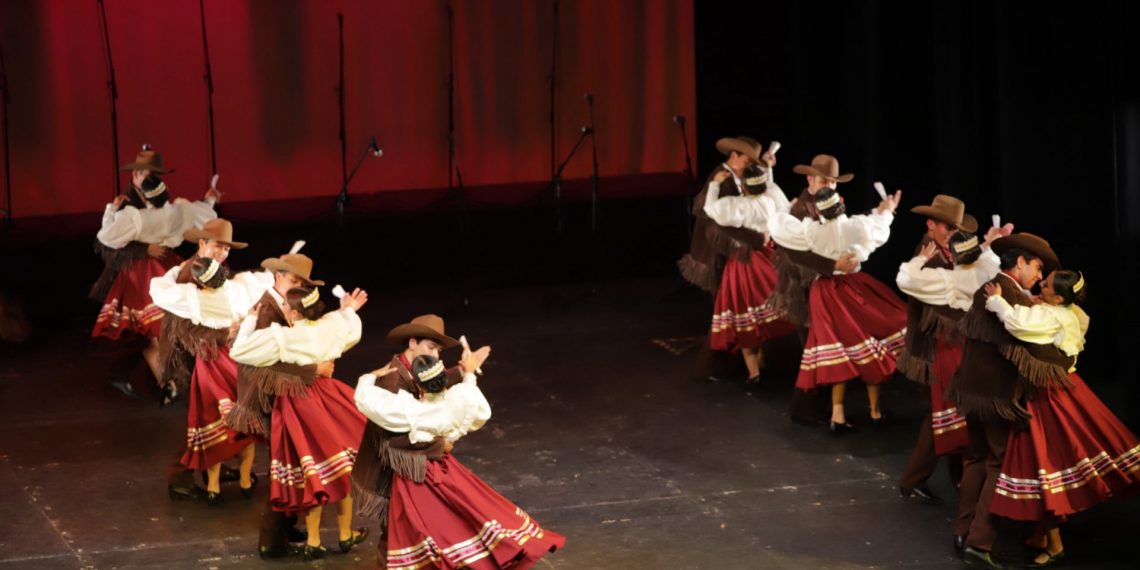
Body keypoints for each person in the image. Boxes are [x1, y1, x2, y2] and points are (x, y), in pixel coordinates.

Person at [983, 271, 1139, 568]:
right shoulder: (1070, 311)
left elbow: (1018, 324)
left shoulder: (1050, 316)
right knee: (1043, 465)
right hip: (1065, 389)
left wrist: (997, 301)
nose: (1040, 284)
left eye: (1046, 285)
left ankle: (1054, 545)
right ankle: (1044, 537)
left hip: (1050, 398)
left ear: (1057, 297)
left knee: (1043, 466)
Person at [356, 353, 565, 568]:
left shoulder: (412, 411)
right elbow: (478, 408)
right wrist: (469, 373)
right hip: (444, 469)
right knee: (460, 518)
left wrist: (370, 376)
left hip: (415, 476)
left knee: (418, 527)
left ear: (418, 386)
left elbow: (366, 400)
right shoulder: (459, 400)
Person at [948, 233, 1069, 569]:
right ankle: (979, 542)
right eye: (1037, 267)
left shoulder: (989, 288)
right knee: (999, 465)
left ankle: (963, 532)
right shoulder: (1010, 296)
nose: (1040, 276)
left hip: (971, 391)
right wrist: (1066, 360)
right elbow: (1030, 346)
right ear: (1019, 263)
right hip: (995, 398)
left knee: (976, 459)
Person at [230, 284, 371, 559]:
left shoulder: (283, 336)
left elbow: (240, 351)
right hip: (328, 397)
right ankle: (345, 533)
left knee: (311, 471)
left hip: (299, 401)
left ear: (294, 314)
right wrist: (348, 309)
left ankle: (314, 540)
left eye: (286, 306)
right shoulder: (331, 325)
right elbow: (350, 329)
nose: (283, 309)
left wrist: (250, 320)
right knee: (340, 465)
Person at [349, 315, 489, 567]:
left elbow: (433, 379)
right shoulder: (394, 380)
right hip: (387, 472)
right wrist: (439, 445)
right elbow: (392, 439)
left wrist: (463, 370)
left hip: (407, 469)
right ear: (412, 342)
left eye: (438, 351)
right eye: (431, 347)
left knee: (411, 532)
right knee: (395, 533)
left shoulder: (414, 369)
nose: (435, 356)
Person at [766, 185, 905, 433]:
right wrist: (887, 211)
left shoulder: (811, 231)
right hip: (853, 288)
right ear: (841, 204)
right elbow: (880, 230)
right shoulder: (857, 226)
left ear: (819, 212)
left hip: (825, 293)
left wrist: (785, 209)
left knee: (837, 349)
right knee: (868, 341)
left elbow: (781, 230)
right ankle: (875, 411)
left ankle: (837, 414)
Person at [150, 221, 271, 504]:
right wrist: (224, 332)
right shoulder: (189, 275)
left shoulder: (210, 269)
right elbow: (184, 328)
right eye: (218, 246)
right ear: (202, 243)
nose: (222, 253)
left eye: (226, 248)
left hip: (211, 357)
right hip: (192, 359)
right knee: (201, 419)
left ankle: (215, 468)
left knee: (216, 417)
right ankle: (180, 478)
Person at [91, 145, 219, 397]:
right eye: (144, 174)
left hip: (160, 267)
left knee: (162, 332)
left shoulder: (149, 209)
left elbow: (109, 234)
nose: (148, 179)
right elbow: (107, 243)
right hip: (140, 272)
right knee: (154, 332)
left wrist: (111, 212)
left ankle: (169, 383)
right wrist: (144, 248)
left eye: (152, 175)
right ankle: (167, 383)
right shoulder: (135, 206)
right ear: (135, 175)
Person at [224, 243, 323, 558]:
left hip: (276, 398)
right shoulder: (267, 311)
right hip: (265, 399)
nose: (296, 288)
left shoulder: (280, 306)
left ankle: (285, 526)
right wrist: (313, 370)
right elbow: (268, 362)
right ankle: (271, 539)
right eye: (293, 281)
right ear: (278, 276)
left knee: (288, 464)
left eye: (301, 284)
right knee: (283, 467)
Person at [893, 195, 986, 505]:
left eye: (956, 229)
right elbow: (937, 303)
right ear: (930, 224)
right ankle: (954, 478)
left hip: (953, 340)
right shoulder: (928, 255)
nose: (952, 233)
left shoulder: (946, 251)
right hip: (943, 342)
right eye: (948, 227)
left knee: (947, 411)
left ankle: (942, 478)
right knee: (951, 407)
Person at [767, 154, 859, 424]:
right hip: (803, 288)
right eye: (823, 180)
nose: (828, 185)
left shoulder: (832, 203)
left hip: (824, 288)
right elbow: (795, 254)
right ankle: (805, 408)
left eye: (832, 181)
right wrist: (833, 264)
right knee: (814, 349)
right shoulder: (800, 210)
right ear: (810, 179)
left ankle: (819, 407)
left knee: (824, 348)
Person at [703, 160, 795, 383]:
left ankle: (754, 372)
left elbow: (710, 209)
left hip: (743, 263)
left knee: (742, 311)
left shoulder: (739, 206)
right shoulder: (769, 201)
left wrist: (715, 184)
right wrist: (769, 170)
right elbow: (776, 199)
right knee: (761, 311)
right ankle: (761, 358)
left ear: (744, 186)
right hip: (766, 258)